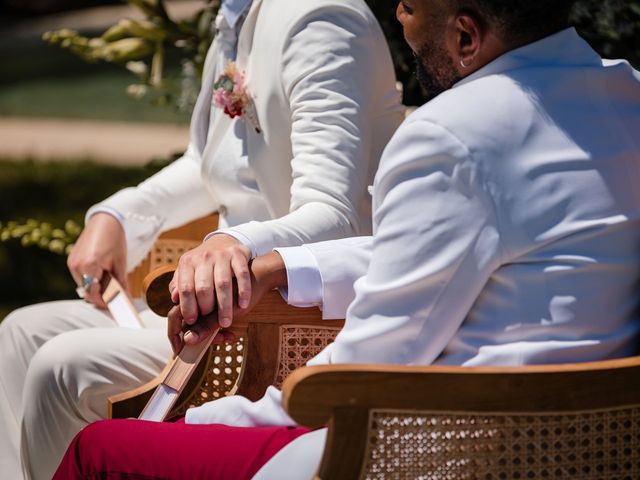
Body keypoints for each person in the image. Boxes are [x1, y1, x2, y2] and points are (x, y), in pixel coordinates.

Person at [54, 0, 640, 478]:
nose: (399, 16)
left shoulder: (452, 133)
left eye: (411, 7)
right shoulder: (625, 95)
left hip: (434, 451)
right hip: (591, 447)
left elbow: (370, 365)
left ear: (467, 36)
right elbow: (465, 253)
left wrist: (209, 421)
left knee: (100, 450)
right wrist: (282, 266)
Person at [0, 1, 404, 478]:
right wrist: (118, 215)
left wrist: (231, 243)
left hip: (284, 318)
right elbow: (207, 162)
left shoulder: (322, 21)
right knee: (20, 333)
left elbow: (334, 213)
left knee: (61, 366)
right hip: (212, 302)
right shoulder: (237, 12)